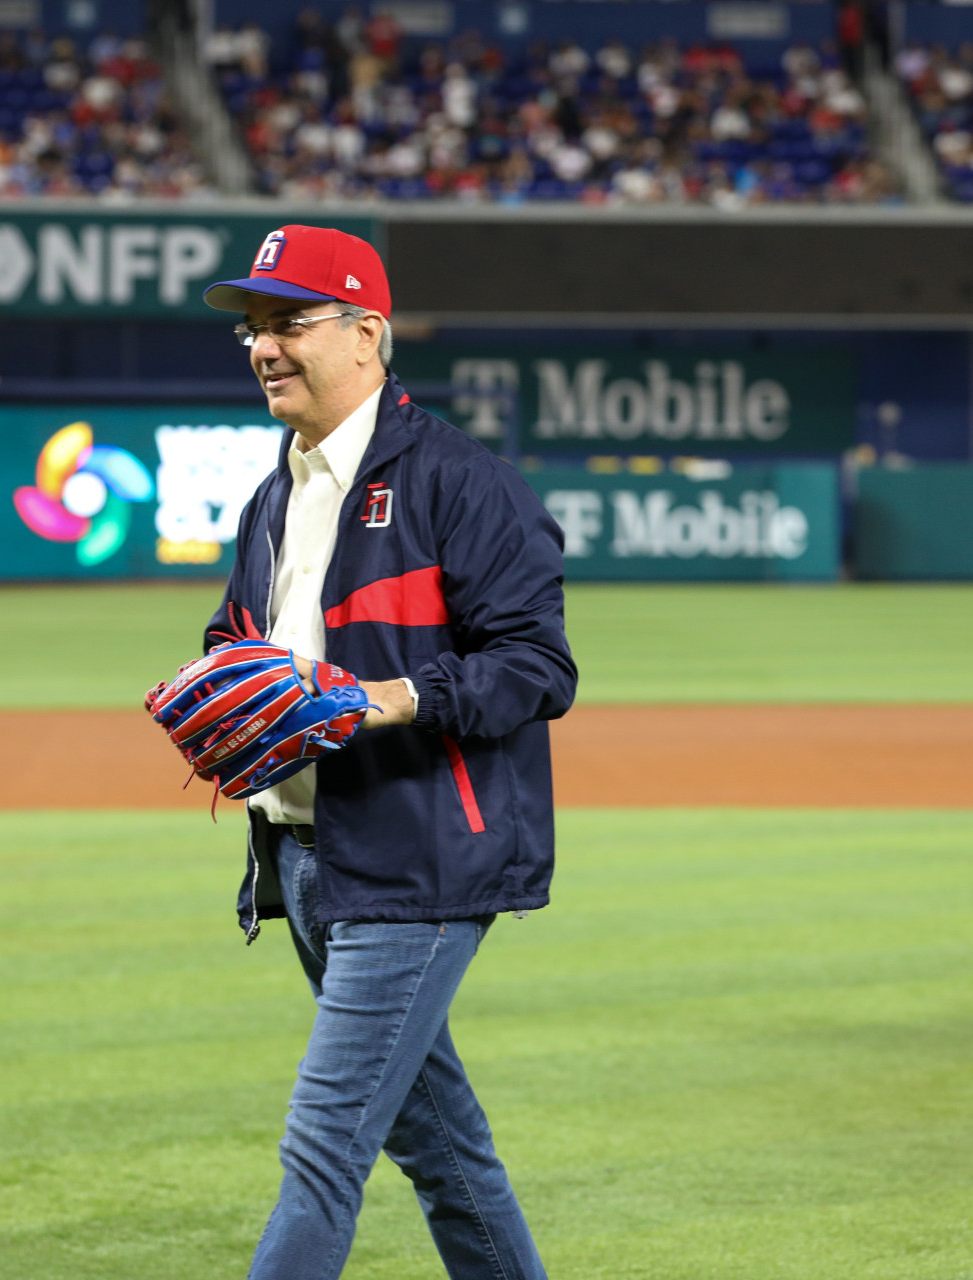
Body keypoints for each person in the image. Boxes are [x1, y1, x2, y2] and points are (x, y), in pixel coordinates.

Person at [199, 225, 575, 1278]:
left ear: (366, 333)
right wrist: (219, 683)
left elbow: (538, 666)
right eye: (253, 328)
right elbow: (243, 637)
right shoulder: (277, 493)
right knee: (444, 1150)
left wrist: (388, 698)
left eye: (288, 322)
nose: (264, 347)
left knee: (323, 1146)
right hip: (304, 860)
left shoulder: (461, 481)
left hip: (420, 858)